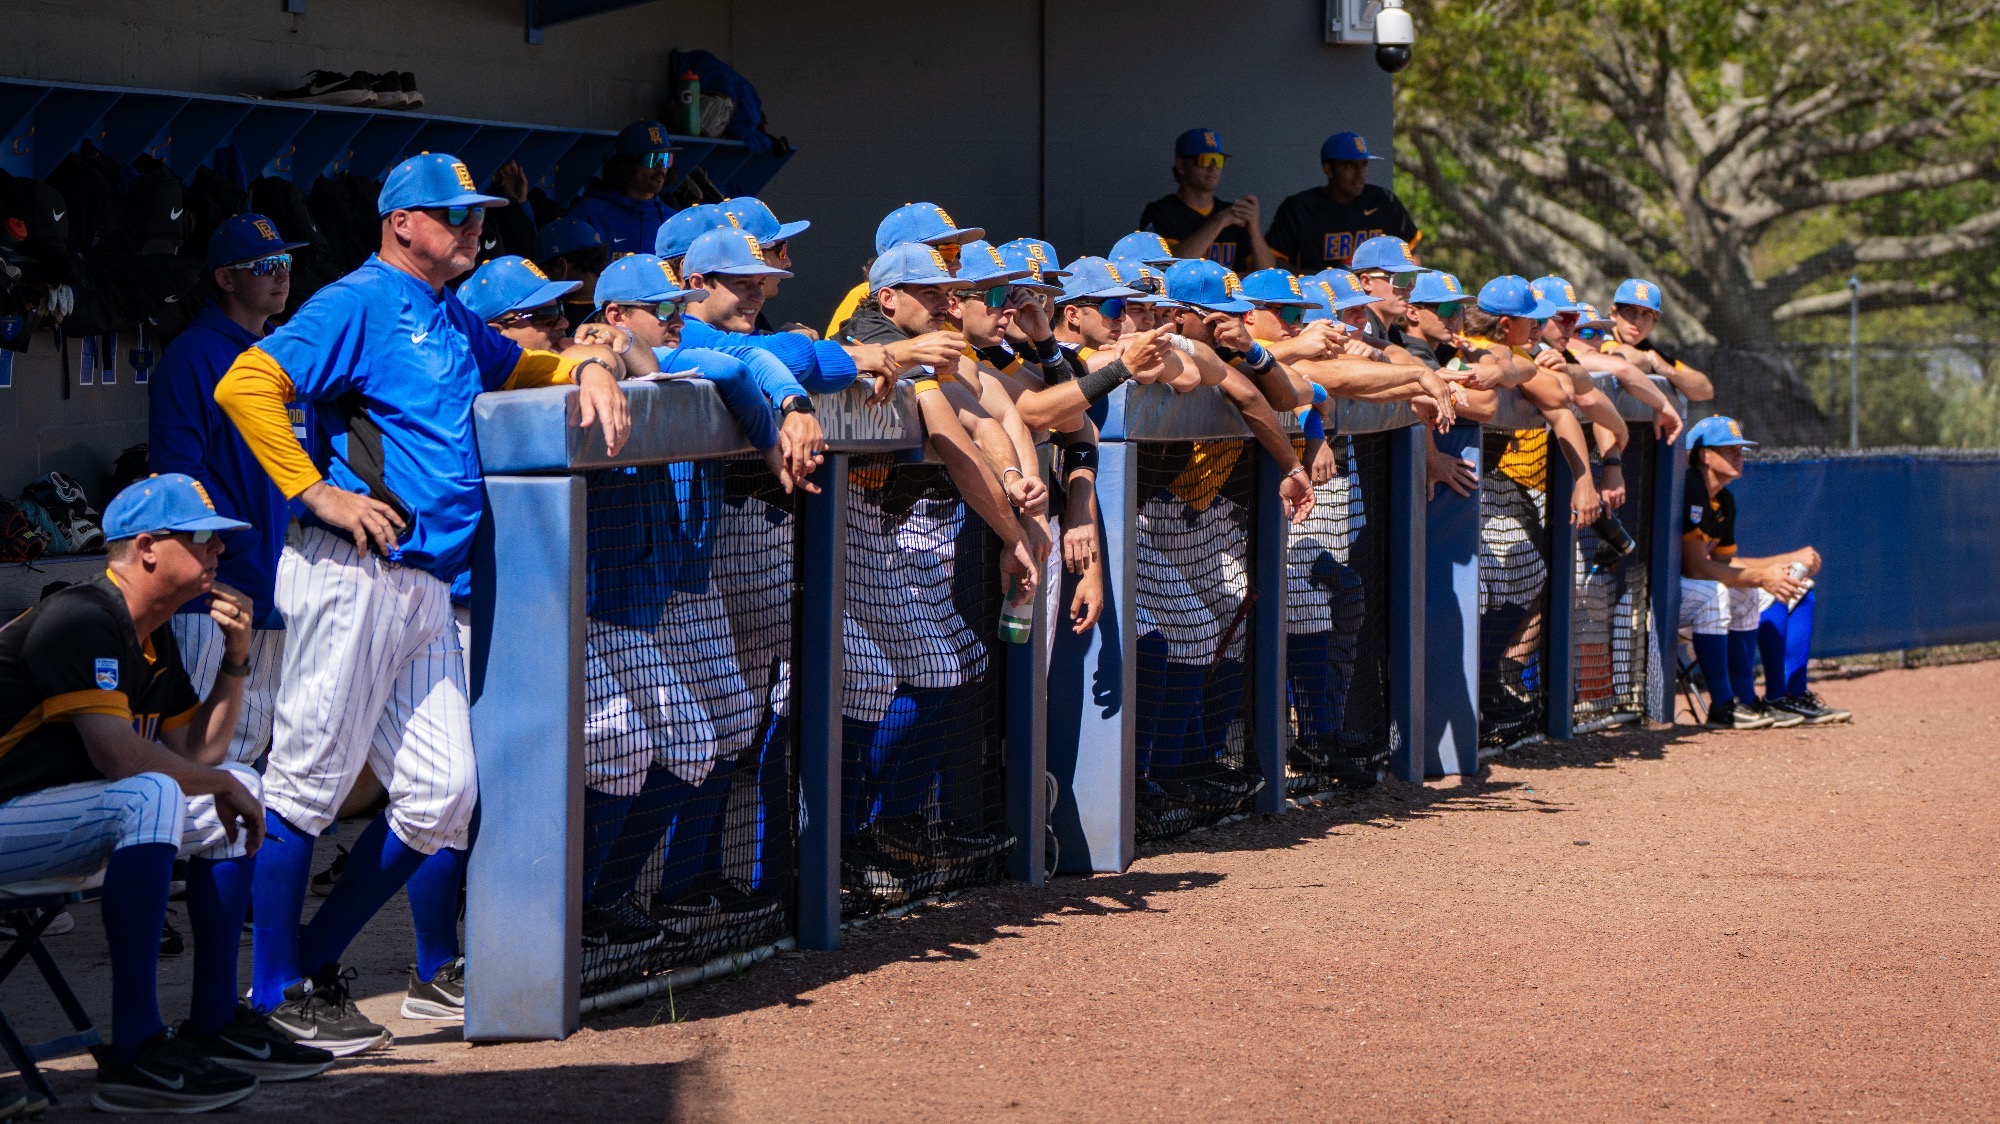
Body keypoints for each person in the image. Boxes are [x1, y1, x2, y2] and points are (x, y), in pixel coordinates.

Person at [214, 153, 630, 1054]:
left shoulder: (445, 311)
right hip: (352, 567)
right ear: (402, 221)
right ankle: (272, 996)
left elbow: (516, 370)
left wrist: (587, 371)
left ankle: (313, 962)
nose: (473, 230)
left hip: (427, 585)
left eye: (478, 216)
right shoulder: (358, 299)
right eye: (454, 216)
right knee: (307, 783)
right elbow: (246, 384)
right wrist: (312, 490)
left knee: (443, 795)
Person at [0, 475, 334, 1114]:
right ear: (148, 547)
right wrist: (217, 781)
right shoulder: (82, 616)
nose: (219, 554)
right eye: (205, 539)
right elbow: (121, 757)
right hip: (9, 820)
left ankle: (214, 1021)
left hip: (43, 818)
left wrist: (235, 661)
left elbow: (195, 757)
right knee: (152, 790)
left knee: (231, 786)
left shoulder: (151, 635)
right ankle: (135, 1049)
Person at [148, 214, 308, 769]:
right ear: (225, 278)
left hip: (274, 588)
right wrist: (239, 549)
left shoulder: (280, 356)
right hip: (212, 596)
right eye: (265, 266)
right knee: (200, 760)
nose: (280, 276)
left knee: (255, 756)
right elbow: (181, 476)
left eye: (285, 264)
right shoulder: (193, 355)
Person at [1679, 416, 1850, 729]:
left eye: (1741, 450)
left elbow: (1726, 563)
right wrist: (1763, 577)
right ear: (1704, 454)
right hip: (1670, 595)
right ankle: (1727, 704)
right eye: (1729, 450)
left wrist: (1783, 563)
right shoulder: (1690, 488)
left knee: (1798, 584)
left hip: (1699, 594)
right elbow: (1694, 566)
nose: (1739, 456)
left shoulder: (1723, 500)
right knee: (1733, 589)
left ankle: (1772, 697)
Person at [1265, 132, 1421, 273]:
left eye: (1364, 165)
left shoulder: (1384, 200)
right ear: (1328, 169)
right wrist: (1329, 278)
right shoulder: (1299, 208)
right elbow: (1273, 265)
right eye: (1349, 166)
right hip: (1316, 298)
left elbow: (1411, 252)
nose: (1360, 175)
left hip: (1375, 297)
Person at [823, 202, 985, 338]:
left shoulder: (936, 309)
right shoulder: (865, 295)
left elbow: (975, 371)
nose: (958, 264)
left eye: (957, 251)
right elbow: (841, 361)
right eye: (946, 252)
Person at [1135, 128, 1273, 272]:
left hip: (1227, 294)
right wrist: (1220, 221)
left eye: (1218, 160)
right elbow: (1169, 267)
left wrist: (1255, 231)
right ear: (1181, 165)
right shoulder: (1160, 212)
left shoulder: (1233, 214)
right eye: (1205, 160)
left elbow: (1268, 275)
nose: (1213, 167)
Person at [565, 119, 679, 256]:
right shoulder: (590, 214)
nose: (660, 167)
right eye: (652, 159)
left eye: (666, 159)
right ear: (627, 165)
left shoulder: (673, 220)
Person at [1600, 278, 1714, 402]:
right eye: (1630, 311)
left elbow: (1706, 389)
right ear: (1613, 313)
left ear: (1654, 324)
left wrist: (1668, 371)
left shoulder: (1645, 348)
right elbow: (1623, 357)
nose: (1638, 321)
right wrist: (1650, 361)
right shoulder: (1598, 335)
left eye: (1647, 315)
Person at [534, 216, 611, 326]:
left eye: (542, 270)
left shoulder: (556, 321)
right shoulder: (623, 309)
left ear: (561, 267)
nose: (540, 277)